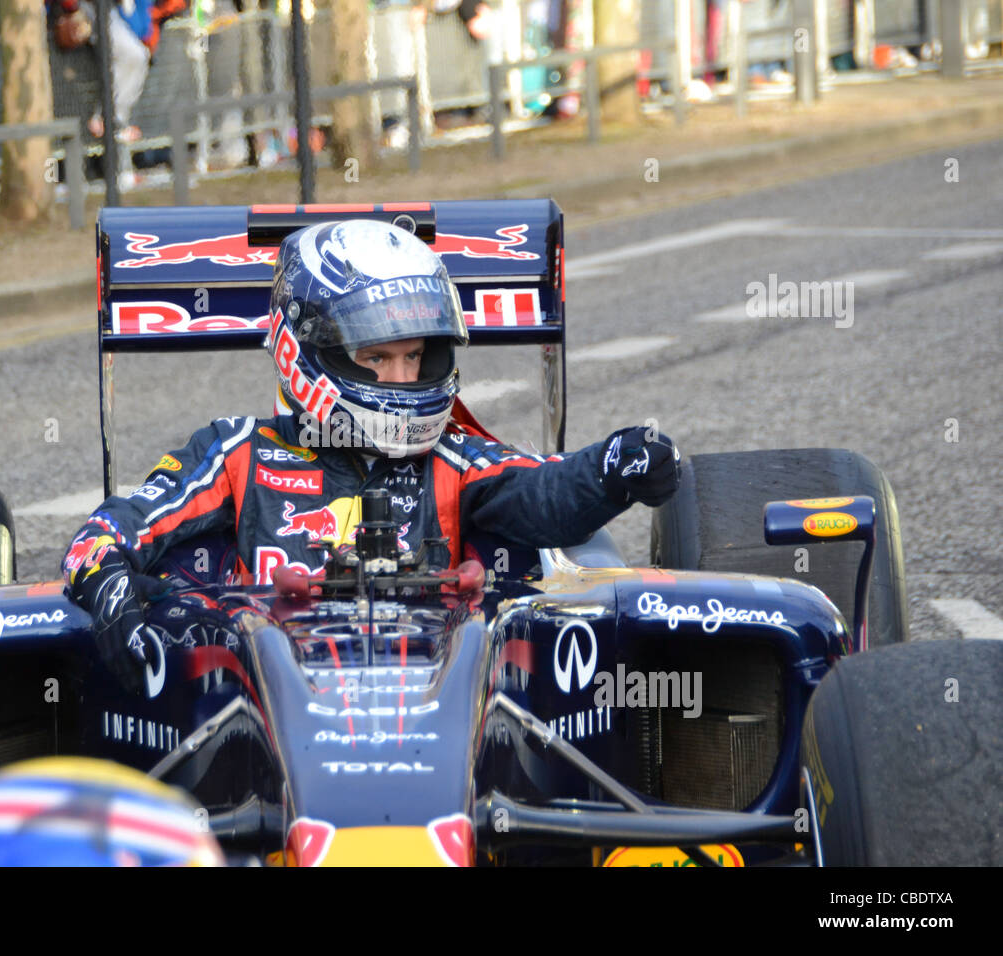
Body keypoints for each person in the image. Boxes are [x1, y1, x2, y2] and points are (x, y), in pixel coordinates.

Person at [62, 219, 680, 694]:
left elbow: (545, 492)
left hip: (438, 693)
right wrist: (111, 584)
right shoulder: (238, 453)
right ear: (305, 349)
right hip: (273, 699)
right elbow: (108, 531)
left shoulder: (451, 456)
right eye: (376, 358)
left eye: (415, 357)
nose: (402, 377)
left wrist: (613, 465)